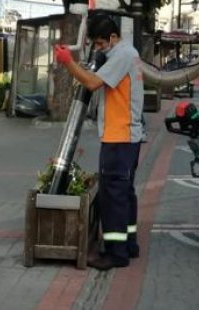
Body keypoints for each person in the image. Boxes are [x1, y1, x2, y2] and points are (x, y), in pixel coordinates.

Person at [54, 15, 145, 270]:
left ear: (114, 37)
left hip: (119, 137)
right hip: (128, 137)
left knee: (112, 196)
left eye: (102, 43)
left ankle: (116, 254)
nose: (99, 48)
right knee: (124, 194)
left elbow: (93, 83)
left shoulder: (122, 55)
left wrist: (67, 63)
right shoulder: (127, 52)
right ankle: (129, 244)